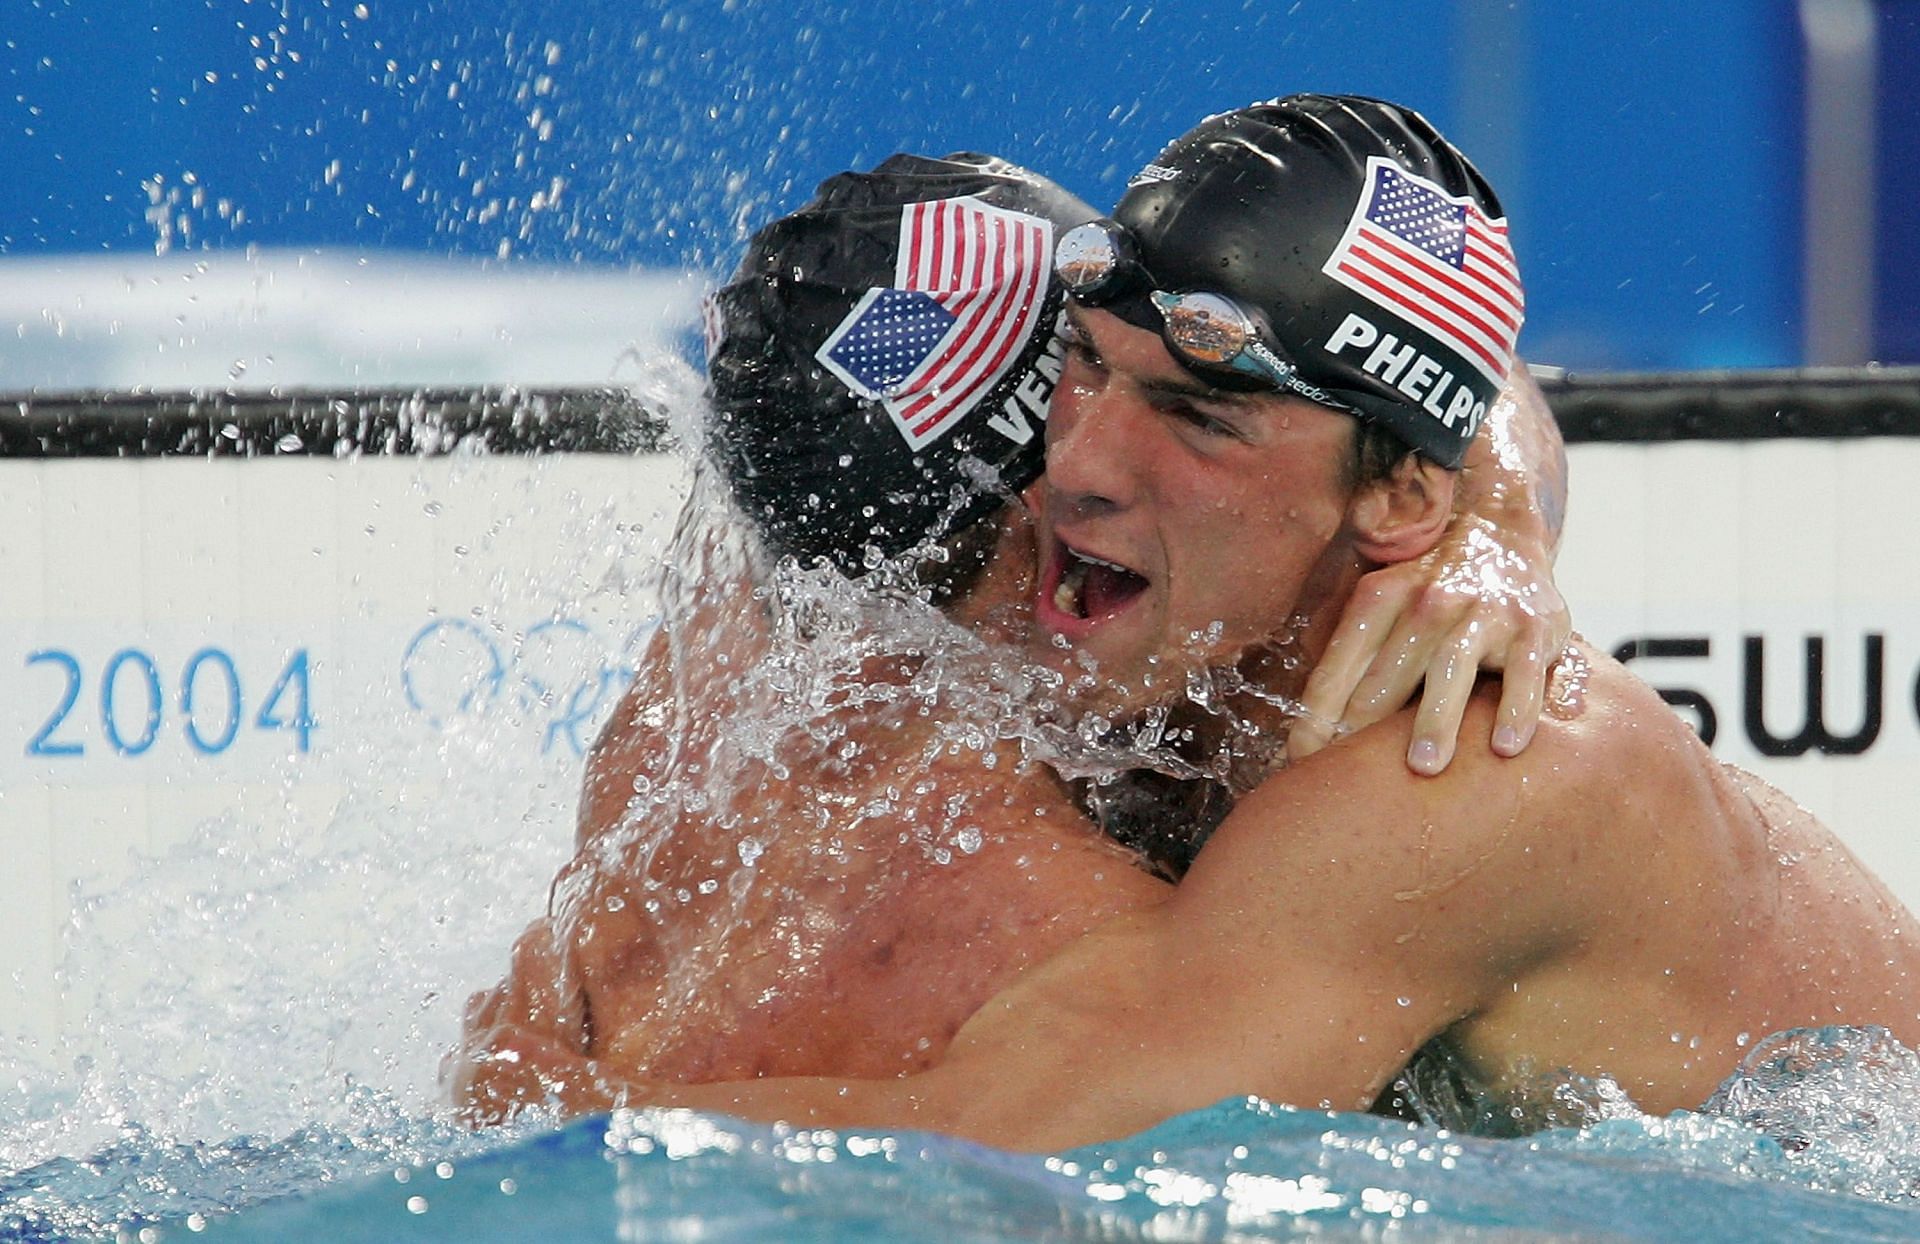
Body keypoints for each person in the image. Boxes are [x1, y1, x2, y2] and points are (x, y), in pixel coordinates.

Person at [451, 95, 1920, 1150]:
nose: (1079, 466)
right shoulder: (1175, 594)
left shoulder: (1476, 772)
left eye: (1196, 419)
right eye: (1082, 373)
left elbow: (1020, 1135)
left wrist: (551, 1122)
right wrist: (1491, 508)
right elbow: (1434, 373)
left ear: (1399, 491)